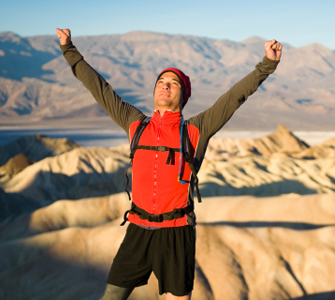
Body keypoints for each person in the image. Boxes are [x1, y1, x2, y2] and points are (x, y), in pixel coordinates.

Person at [56, 28, 281, 300]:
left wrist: (266, 65)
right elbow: (99, 87)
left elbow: (234, 97)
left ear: (183, 95)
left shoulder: (197, 130)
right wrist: (69, 49)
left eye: (173, 83)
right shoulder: (135, 124)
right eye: (161, 81)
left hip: (176, 234)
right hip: (137, 229)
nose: (165, 85)